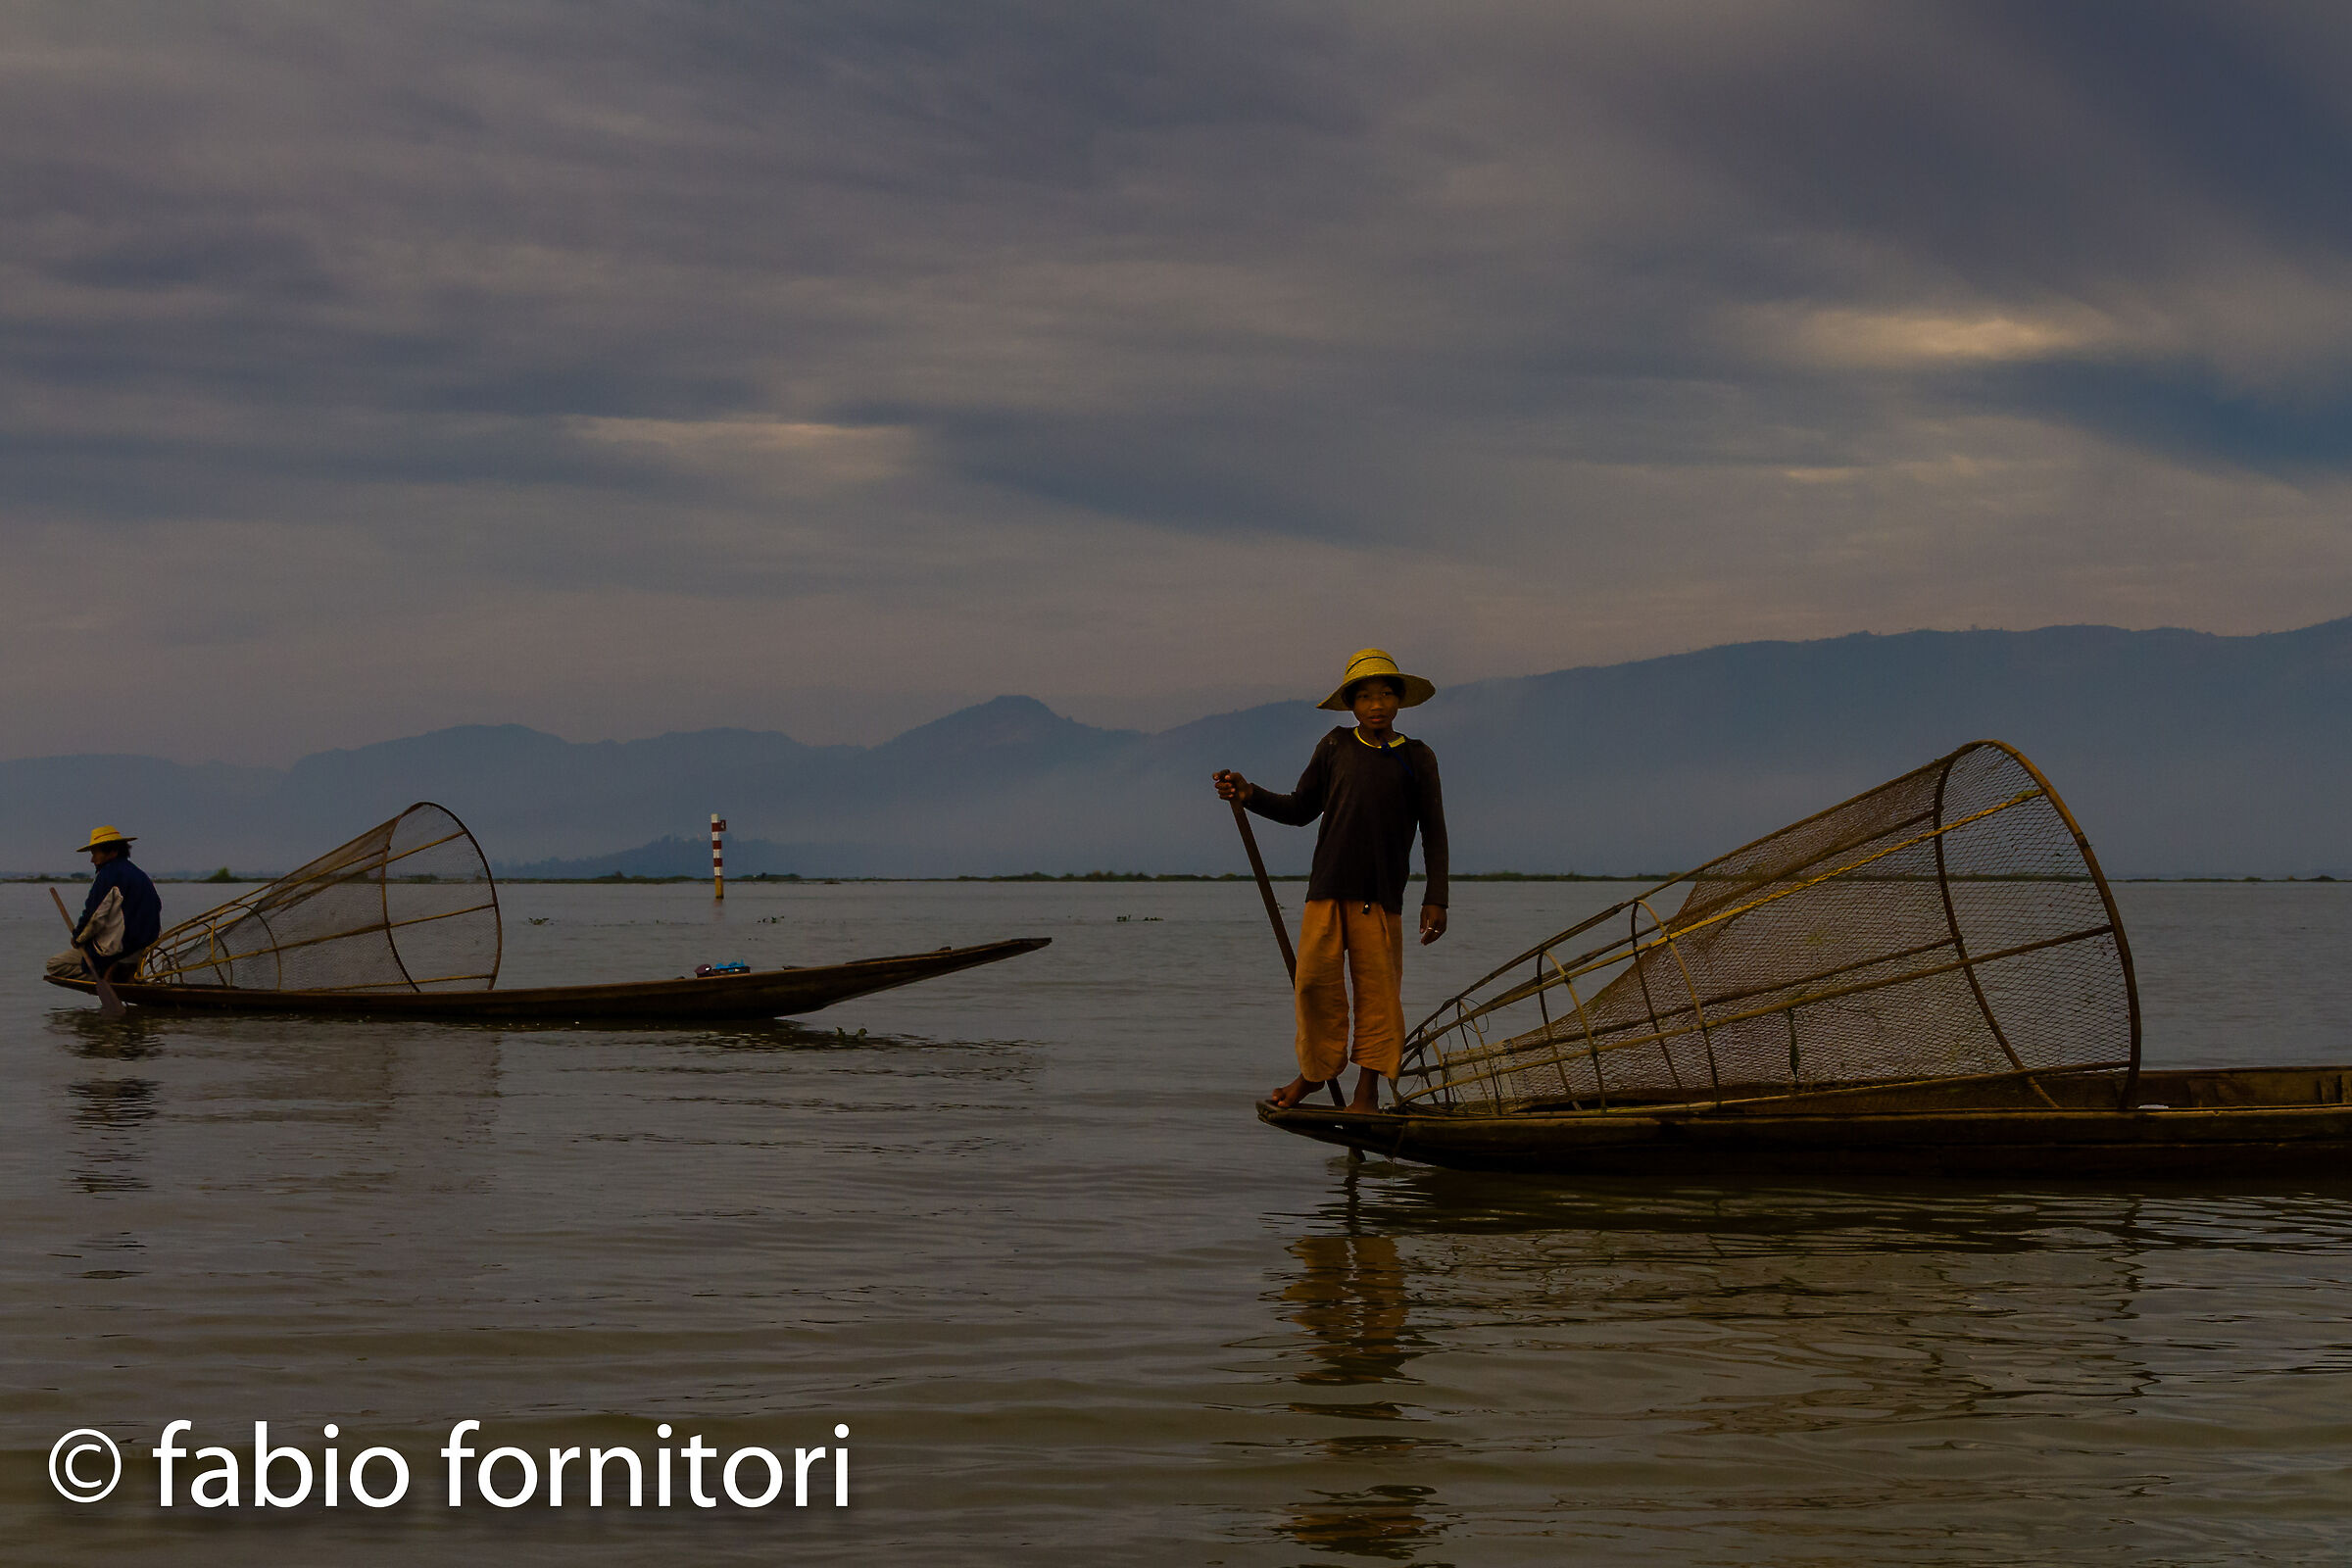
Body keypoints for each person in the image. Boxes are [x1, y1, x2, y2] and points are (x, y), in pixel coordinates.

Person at [1215, 649, 1448, 1112]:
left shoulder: (1417, 758)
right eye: (1365, 696)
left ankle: (1367, 1091)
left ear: (1398, 701)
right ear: (1352, 704)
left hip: (1381, 897)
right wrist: (1250, 793)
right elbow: (1301, 808)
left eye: (1385, 694)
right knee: (1313, 986)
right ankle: (1315, 1074)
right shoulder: (1335, 746)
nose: (1376, 704)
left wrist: (1436, 897)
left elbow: (1435, 830)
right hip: (1327, 890)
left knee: (1378, 997)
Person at [45, 826, 163, 986]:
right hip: (146, 947)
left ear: (112, 851)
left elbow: (94, 916)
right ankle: (121, 975)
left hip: (122, 948)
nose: (92, 860)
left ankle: (112, 979)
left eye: (95, 853)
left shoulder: (109, 875)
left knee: (55, 964)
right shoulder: (139, 874)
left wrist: (78, 938)